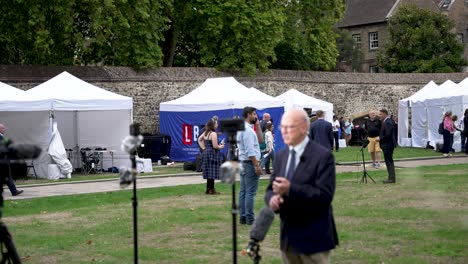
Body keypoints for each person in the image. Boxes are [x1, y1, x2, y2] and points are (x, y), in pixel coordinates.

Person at [265, 108, 338, 263]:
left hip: (314, 237)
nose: (284, 131)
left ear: (304, 128)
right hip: (288, 238)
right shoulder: (281, 156)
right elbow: (270, 189)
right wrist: (272, 200)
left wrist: (290, 189)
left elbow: (324, 196)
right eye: (282, 127)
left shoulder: (323, 156)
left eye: (289, 127)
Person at [237, 107, 262, 225]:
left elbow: (260, 140)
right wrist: (256, 166)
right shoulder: (247, 131)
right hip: (249, 163)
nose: (256, 116)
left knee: (243, 191)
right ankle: (249, 218)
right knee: (250, 192)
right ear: (248, 115)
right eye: (254, 114)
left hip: (244, 162)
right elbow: (250, 151)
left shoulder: (242, 129)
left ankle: (243, 216)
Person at [197, 119, 225, 194]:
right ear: (213, 125)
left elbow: (199, 140)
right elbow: (215, 146)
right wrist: (221, 146)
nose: (217, 125)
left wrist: (203, 148)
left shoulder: (206, 133)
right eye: (216, 124)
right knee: (212, 171)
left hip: (206, 153)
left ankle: (208, 189)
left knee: (209, 171)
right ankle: (211, 189)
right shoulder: (213, 134)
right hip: (212, 153)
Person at [0, 123, 24, 196]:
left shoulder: (2, 136)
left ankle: (14, 191)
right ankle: (14, 191)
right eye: (3, 128)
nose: (5, 129)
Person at [376, 109, 397, 184]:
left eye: (380, 114)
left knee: (389, 161)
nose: (379, 116)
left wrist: (380, 138)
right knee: (388, 161)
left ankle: (392, 178)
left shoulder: (388, 122)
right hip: (386, 145)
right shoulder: (385, 121)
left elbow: (388, 134)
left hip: (388, 145)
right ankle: (391, 177)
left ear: (385, 114)